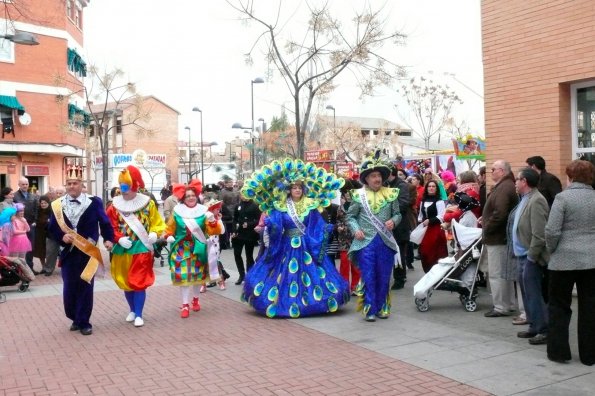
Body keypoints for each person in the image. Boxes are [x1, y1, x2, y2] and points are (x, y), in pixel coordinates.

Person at [241, 158, 349, 318]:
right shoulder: (281, 206)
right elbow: (277, 223)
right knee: (283, 275)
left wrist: (325, 228)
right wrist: (271, 223)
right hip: (286, 245)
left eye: (299, 188)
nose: (297, 190)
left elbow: (316, 224)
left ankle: (312, 302)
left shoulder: (310, 205)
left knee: (313, 275)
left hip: (306, 245)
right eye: (294, 188)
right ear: (289, 190)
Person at [47, 165, 114, 335]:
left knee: (85, 286)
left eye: (75, 183)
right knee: (69, 287)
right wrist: (61, 237)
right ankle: (74, 316)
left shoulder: (94, 202)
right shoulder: (57, 205)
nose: (71, 186)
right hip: (68, 253)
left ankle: (84, 321)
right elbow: (52, 228)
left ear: (82, 184)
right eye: (68, 183)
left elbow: (105, 223)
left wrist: (108, 239)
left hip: (88, 252)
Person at [545, 159, 595, 366]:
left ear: (570, 176)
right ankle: (590, 355)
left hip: (563, 259)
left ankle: (559, 352)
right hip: (591, 259)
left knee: (558, 305)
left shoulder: (562, 198)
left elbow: (552, 230)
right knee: (590, 307)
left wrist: (552, 249)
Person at [107, 165, 166, 328]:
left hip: (141, 247)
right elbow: (109, 227)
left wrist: (154, 233)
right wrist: (118, 239)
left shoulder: (148, 204)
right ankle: (132, 310)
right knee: (126, 281)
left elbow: (157, 222)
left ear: (135, 186)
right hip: (123, 248)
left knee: (138, 281)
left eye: (125, 186)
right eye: (121, 186)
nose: (122, 190)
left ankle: (139, 314)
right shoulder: (113, 207)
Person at [347, 152, 401, 322]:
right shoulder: (358, 196)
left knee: (384, 275)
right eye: (373, 176)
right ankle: (370, 308)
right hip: (365, 242)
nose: (377, 179)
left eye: (379, 175)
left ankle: (383, 306)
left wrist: (394, 221)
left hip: (385, 242)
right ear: (366, 179)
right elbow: (350, 217)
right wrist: (355, 229)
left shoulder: (392, 194)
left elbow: (398, 214)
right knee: (369, 275)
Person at [504, 167, 550, 346]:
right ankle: (534, 325)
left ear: (524, 182)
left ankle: (543, 329)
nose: (515, 182)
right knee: (526, 293)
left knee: (534, 294)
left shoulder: (537, 200)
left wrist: (532, 257)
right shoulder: (525, 198)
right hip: (521, 255)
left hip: (531, 257)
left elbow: (539, 234)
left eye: (517, 179)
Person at [163, 180, 223, 318]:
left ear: (197, 196)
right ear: (184, 198)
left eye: (193, 195)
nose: (191, 197)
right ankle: (185, 305)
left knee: (197, 275)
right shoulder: (177, 212)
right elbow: (169, 228)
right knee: (183, 277)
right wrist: (168, 236)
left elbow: (214, 231)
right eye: (188, 195)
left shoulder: (204, 212)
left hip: (199, 247)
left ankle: (195, 299)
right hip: (181, 248)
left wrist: (213, 220)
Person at [482, 160, 520, 318]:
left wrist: (487, 227)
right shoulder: (506, 185)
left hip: (498, 238)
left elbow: (500, 213)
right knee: (505, 273)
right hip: (502, 237)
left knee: (497, 274)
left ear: (502, 171)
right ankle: (509, 304)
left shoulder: (504, 187)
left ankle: (500, 306)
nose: (491, 172)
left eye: (493, 169)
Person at [385, 166, 412, 289]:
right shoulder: (385, 184)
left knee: (399, 252)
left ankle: (400, 279)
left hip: (399, 225)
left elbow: (404, 203)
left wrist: (387, 211)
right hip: (385, 225)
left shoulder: (402, 185)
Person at [336, 178, 361, 295]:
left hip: (356, 239)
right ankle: (344, 287)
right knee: (344, 264)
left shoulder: (358, 206)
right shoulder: (340, 208)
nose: (348, 195)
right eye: (345, 193)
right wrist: (339, 227)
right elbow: (338, 221)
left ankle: (356, 286)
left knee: (356, 264)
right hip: (343, 240)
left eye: (350, 193)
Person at [417, 180, 448, 273]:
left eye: (433, 186)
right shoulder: (423, 201)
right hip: (425, 230)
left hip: (436, 229)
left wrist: (430, 220)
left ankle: (438, 273)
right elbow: (420, 216)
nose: (431, 188)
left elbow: (441, 216)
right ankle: (428, 272)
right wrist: (421, 224)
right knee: (425, 252)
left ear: (436, 188)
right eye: (429, 186)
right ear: (426, 188)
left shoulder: (439, 201)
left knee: (436, 252)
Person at [231, 195, 261, 285]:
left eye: (245, 194)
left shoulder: (255, 205)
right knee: (237, 254)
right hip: (238, 234)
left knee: (249, 255)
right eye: (242, 194)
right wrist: (233, 230)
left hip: (249, 234)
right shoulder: (238, 205)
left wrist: (249, 224)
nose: (243, 196)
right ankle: (241, 275)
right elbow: (235, 219)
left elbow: (259, 220)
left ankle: (249, 275)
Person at [13, 177, 38, 271]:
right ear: (19, 185)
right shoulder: (14, 196)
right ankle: (18, 269)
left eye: (26, 184)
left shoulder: (33, 196)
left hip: (31, 225)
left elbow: (36, 209)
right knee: (19, 248)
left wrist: (35, 221)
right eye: (23, 184)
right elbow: (12, 211)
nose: (25, 186)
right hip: (18, 225)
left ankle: (30, 267)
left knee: (30, 246)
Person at [32, 195, 52, 275]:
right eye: (41, 203)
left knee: (49, 251)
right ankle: (43, 267)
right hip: (39, 234)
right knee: (41, 251)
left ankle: (49, 266)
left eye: (45, 203)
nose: (43, 204)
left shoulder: (51, 211)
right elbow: (35, 220)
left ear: (48, 203)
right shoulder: (38, 211)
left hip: (49, 234)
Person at [219, 177, 240, 250]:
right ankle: (227, 242)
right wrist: (226, 211)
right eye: (229, 182)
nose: (231, 184)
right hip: (227, 211)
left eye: (231, 182)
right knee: (227, 228)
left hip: (236, 210)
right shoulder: (223, 191)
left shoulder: (236, 190)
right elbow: (222, 202)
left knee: (235, 227)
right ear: (225, 184)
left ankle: (235, 242)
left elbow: (238, 200)